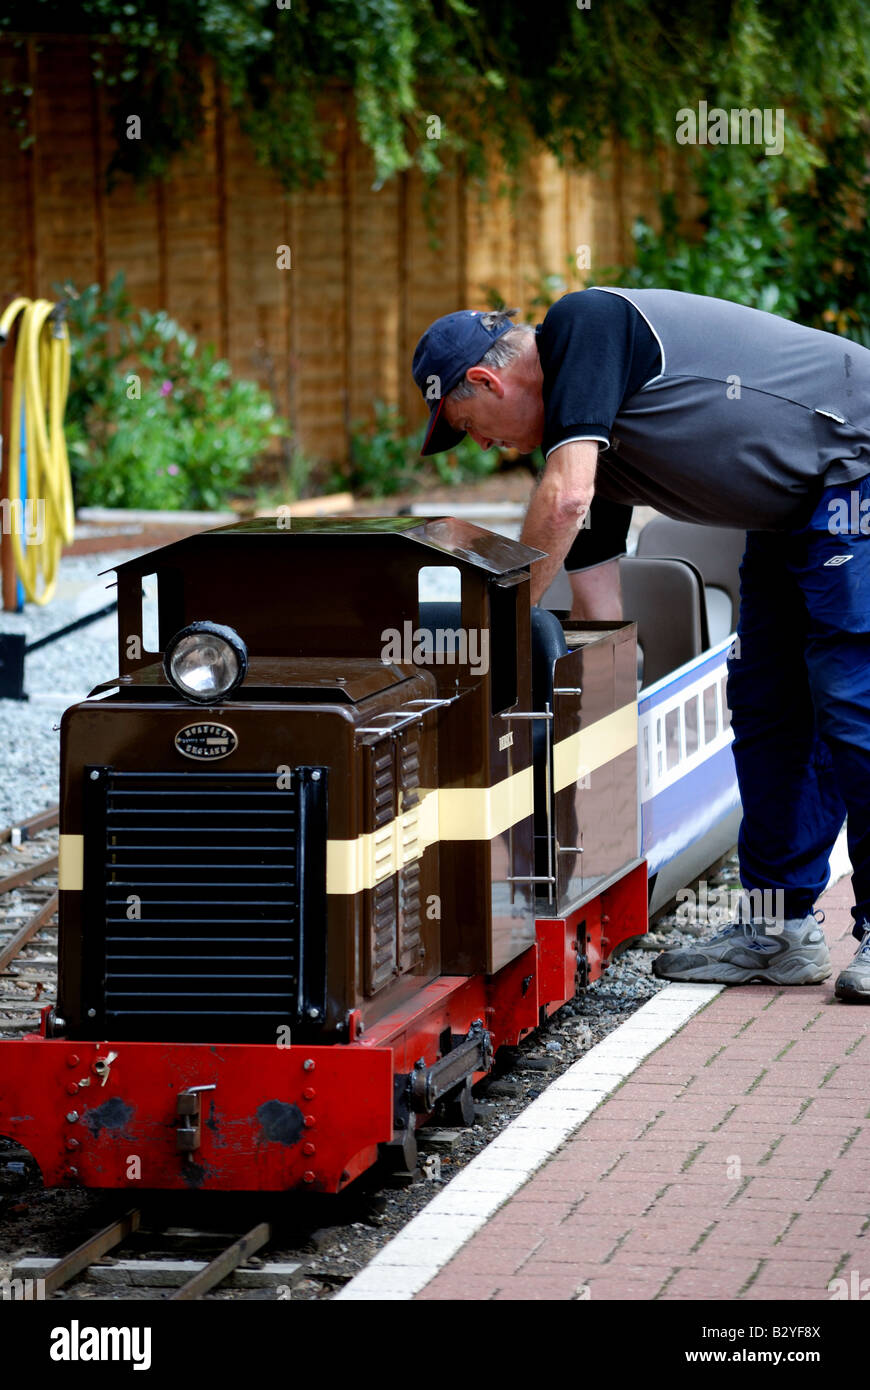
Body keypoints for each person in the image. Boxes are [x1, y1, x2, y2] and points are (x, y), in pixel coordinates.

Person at [412, 288, 870, 1001]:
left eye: (474, 427)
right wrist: (597, 720)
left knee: (852, 698)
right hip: (792, 513)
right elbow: (600, 616)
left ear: (486, 380)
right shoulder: (589, 435)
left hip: (854, 469)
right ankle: (779, 931)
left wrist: (491, 640)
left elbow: (564, 501)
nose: (485, 447)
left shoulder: (585, 325)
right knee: (768, 705)